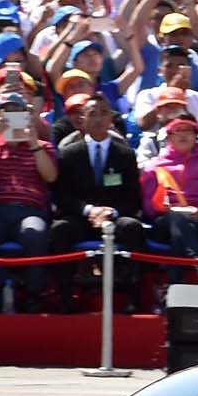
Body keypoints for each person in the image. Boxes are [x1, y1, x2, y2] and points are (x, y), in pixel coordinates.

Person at [50, 95, 146, 311]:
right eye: (92, 113)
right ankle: (65, 297)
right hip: (82, 217)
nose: (99, 119)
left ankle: (133, 297)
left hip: (114, 217)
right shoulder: (68, 154)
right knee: (59, 230)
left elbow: (134, 199)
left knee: (133, 228)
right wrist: (90, 210)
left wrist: (111, 212)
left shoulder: (125, 154)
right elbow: (61, 197)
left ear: (111, 118)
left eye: (104, 112)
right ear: (82, 119)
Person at [0, 95, 58, 311]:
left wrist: (33, 142)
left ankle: (33, 293)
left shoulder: (43, 146)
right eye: (6, 114)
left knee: (34, 233)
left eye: (17, 114)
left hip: (30, 211)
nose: (12, 119)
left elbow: (50, 176)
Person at [141, 119, 198, 285]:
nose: (183, 134)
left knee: (180, 230)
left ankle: (175, 284)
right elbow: (148, 206)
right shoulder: (154, 166)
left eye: (188, 131)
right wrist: (164, 208)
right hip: (165, 220)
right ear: (169, 138)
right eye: (178, 131)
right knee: (177, 219)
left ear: (196, 137)